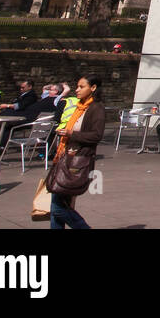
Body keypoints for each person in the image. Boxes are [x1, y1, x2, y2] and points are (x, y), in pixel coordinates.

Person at [49, 75, 105, 230]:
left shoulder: (96, 108)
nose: (77, 90)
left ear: (93, 88)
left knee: (58, 208)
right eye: (77, 86)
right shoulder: (80, 106)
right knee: (56, 204)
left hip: (77, 160)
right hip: (64, 156)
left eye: (82, 87)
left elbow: (96, 135)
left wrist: (70, 134)